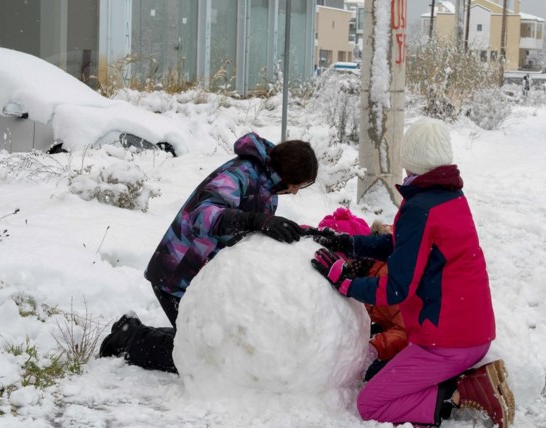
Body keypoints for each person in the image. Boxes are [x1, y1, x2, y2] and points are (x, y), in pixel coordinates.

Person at [311, 118, 514, 428]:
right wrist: (348, 243)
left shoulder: (420, 209)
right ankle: (461, 384)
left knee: (370, 404)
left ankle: (461, 392)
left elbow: (396, 289)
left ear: (410, 159)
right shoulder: (450, 198)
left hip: (446, 343)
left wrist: (345, 283)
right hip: (473, 333)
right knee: (383, 380)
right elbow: (402, 246)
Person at [98, 132, 319, 373]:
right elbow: (202, 214)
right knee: (201, 358)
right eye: (299, 185)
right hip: (177, 274)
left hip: (204, 280)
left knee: (220, 344)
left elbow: (248, 231)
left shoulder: (266, 188)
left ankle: (131, 329)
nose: (296, 192)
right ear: (288, 174)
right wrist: (258, 221)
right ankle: (127, 339)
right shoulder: (240, 174)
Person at [315, 208, 408, 382]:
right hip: (394, 328)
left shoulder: (386, 274)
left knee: (375, 375)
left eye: (339, 259)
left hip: (425, 341)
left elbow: (407, 329)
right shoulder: (362, 271)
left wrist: (374, 348)